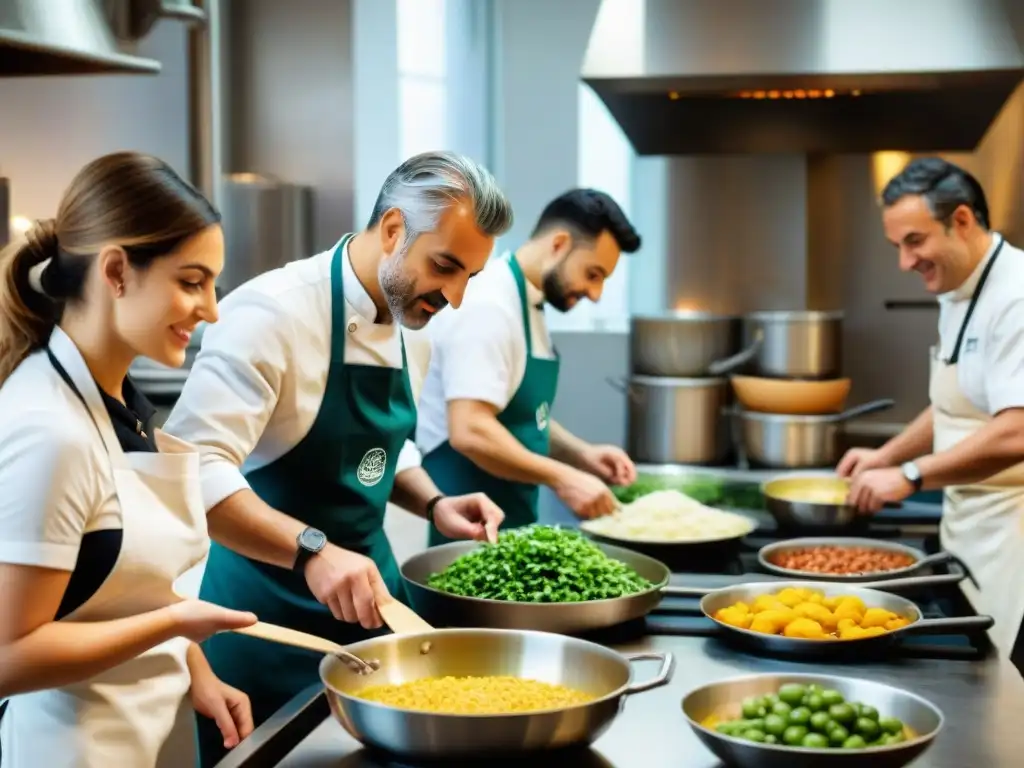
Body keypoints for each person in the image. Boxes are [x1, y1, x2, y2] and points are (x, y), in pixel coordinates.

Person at [161, 150, 514, 765]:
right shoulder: (270, 312)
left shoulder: (412, 324)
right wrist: (313, 551)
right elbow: (195, 470)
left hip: (370, 626)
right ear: (395, 230)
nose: (454, 297)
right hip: (262, 628)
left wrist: (435, 499)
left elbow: (386, 446)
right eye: (445, 266)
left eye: (470, 278)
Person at [0, 152, 260, 768]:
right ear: (116, 271)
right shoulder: (49, 431)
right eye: (192, 281)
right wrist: (177, 625)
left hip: (146, 735)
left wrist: (194, 668)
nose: (212, 309)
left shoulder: (119, 401)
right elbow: (9, 655)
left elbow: (118, 591)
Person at [837, 157, 1024, 655]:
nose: (904, 262)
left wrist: (912, 475)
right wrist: (887, 456)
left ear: (962, 221)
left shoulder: (1017, 297)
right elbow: (954, 399)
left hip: (1014, 544)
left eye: (914, 242)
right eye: (897, 246)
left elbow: (1018, 431)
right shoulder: (958, 290)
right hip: (967, 533)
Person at [415, 188, 641, 547]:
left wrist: (581, 454)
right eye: (593, 273)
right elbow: (471, 429)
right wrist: (563, 477)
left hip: (509, 527)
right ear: (559, 244)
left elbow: (521, 417)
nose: (595, 294)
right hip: (465, 532)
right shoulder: (488, 305)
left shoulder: (528, 305)